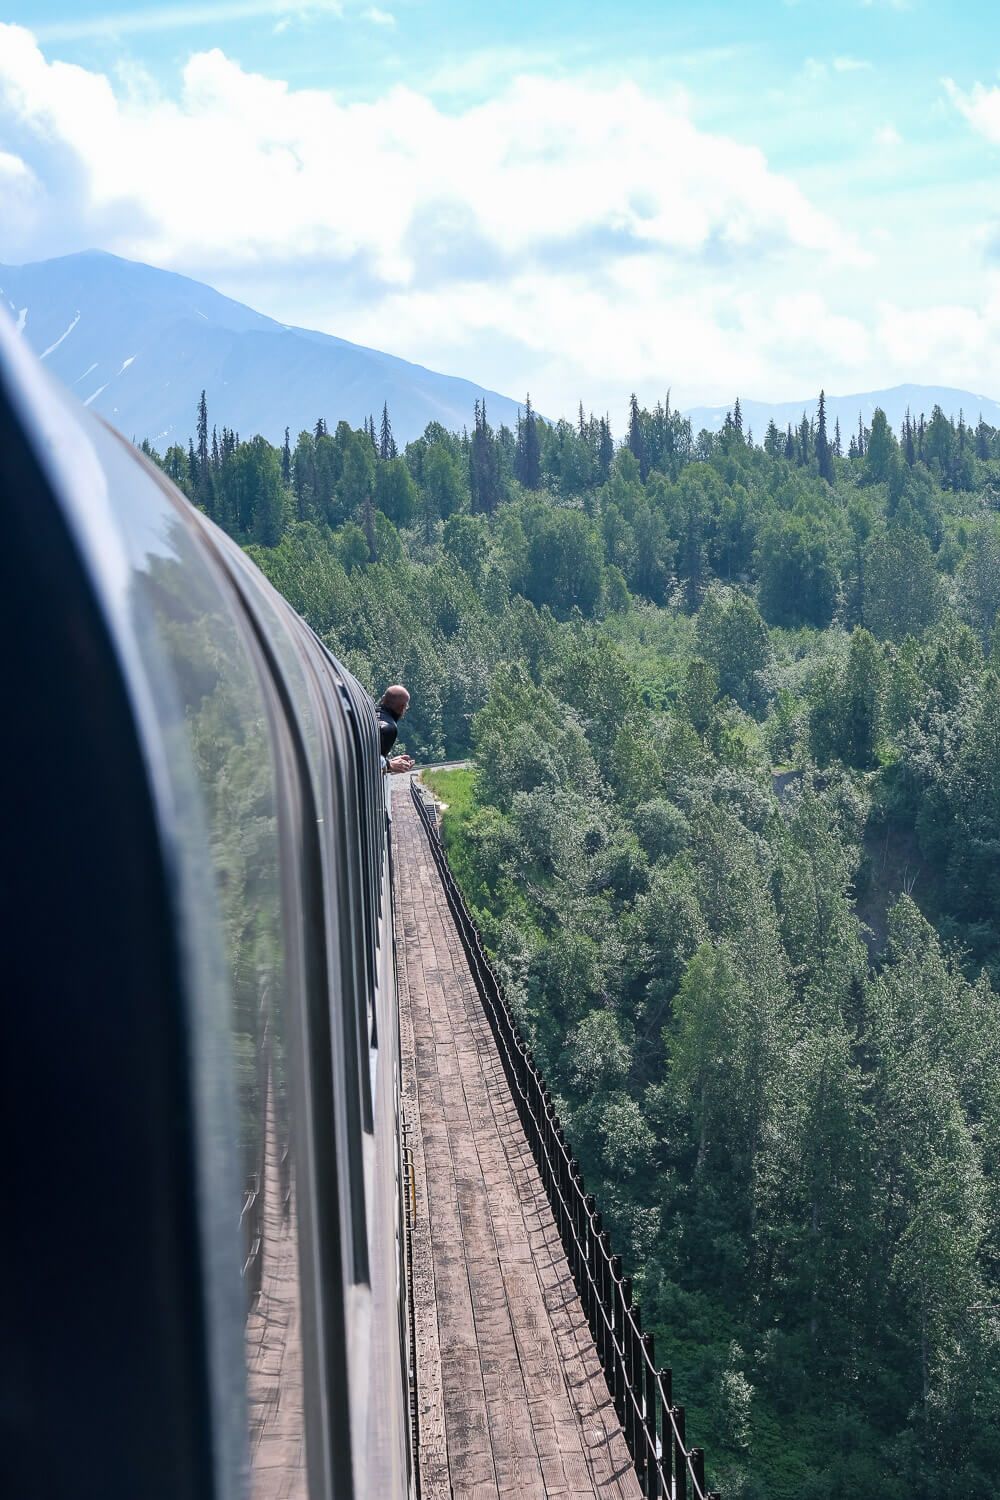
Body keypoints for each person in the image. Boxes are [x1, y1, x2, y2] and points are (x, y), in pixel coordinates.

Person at [378, 684, 414, 773]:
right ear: (403, 707)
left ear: (383, 699)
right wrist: (390, 765)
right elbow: (367, 761)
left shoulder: (368, 716)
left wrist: (390, 762)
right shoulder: (389, 728)